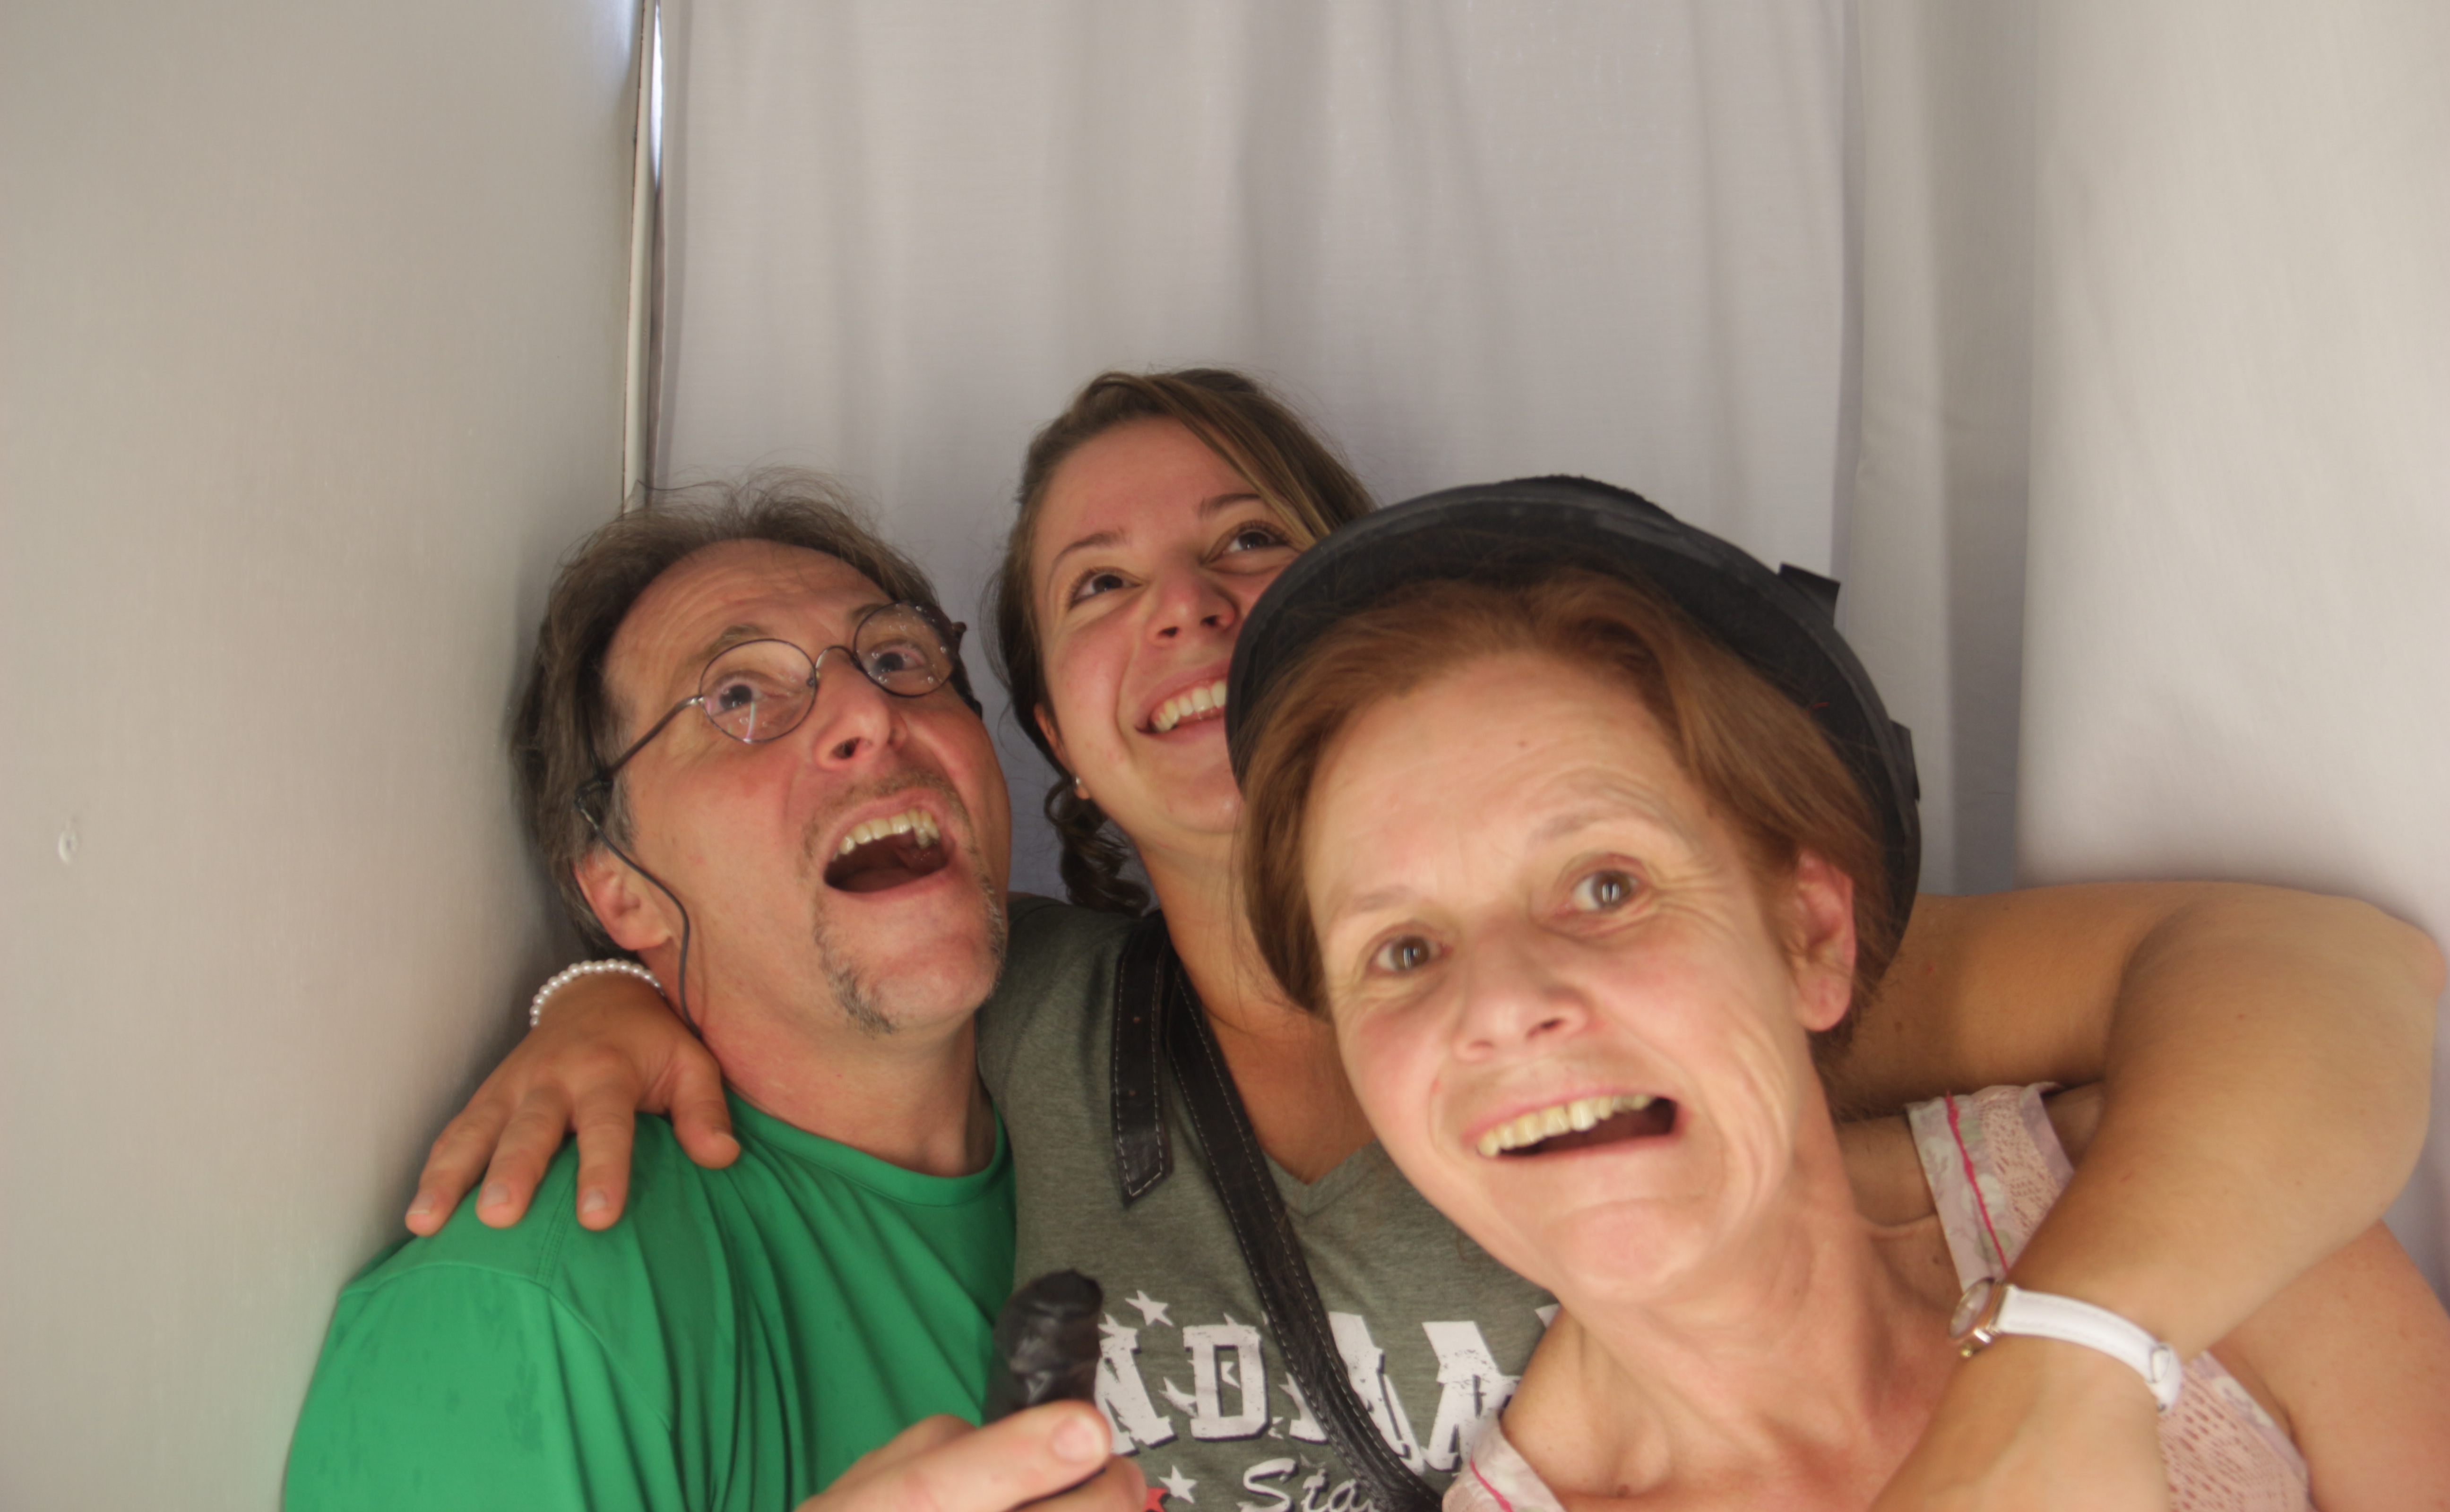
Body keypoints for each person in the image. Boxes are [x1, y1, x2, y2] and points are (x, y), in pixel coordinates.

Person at [408, 372, 2442, 1509]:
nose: (1518, 1012)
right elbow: (812, 963)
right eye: (1099, 586)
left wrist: (2076, 1359)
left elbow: (2313, 978)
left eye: (1250, 546)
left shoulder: (1755, 1003)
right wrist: (605, 992)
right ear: (1044, 739)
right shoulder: (1022, 1009)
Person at [1225, 477, 2450, 1510]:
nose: (1498, 1005)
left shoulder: (2192, 1195)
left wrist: (2073, 1358)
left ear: (1812, 936)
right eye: (1403, 952)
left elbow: (2343, 976)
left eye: (1605, 886)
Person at [285, 478, 1144, 1512]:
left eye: (896, 658)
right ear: (622, 888)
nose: (869, 712)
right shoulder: (530, 1312)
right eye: (737, 697)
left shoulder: (1138, 1101)